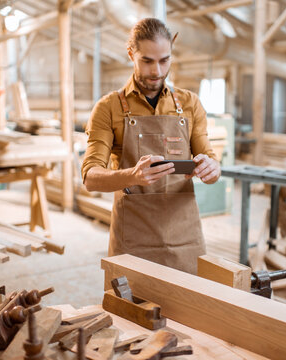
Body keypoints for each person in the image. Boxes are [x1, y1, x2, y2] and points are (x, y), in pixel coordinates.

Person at [81, 18, 220, 274]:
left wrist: (212, 168)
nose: (157, 71)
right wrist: (132, 175)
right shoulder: (108, 108)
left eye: (164, 60)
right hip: (133, 238)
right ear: (131, 53)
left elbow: (209, 160)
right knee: (132, 310)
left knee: (190, 310)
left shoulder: (190, 104)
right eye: (147, 61)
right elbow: (90, 177)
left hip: (184, 237)